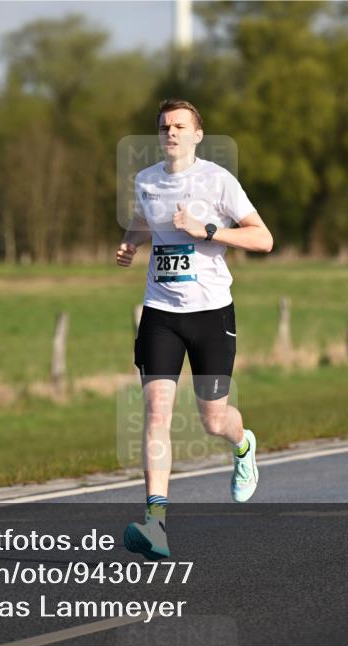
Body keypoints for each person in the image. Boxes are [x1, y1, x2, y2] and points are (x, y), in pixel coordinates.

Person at [117, 99, 273, 560]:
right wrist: (130, 242)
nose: (171, 132)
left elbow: (263, 238)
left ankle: (243, 445)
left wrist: (207, 230)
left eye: (180, 126)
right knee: (156, 414)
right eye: (165, 126)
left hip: (210, 314)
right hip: (160, 312)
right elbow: (145, 219)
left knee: (213, 420)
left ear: (197, 135)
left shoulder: (218, 180)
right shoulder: (146, 180)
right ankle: (156, 524)